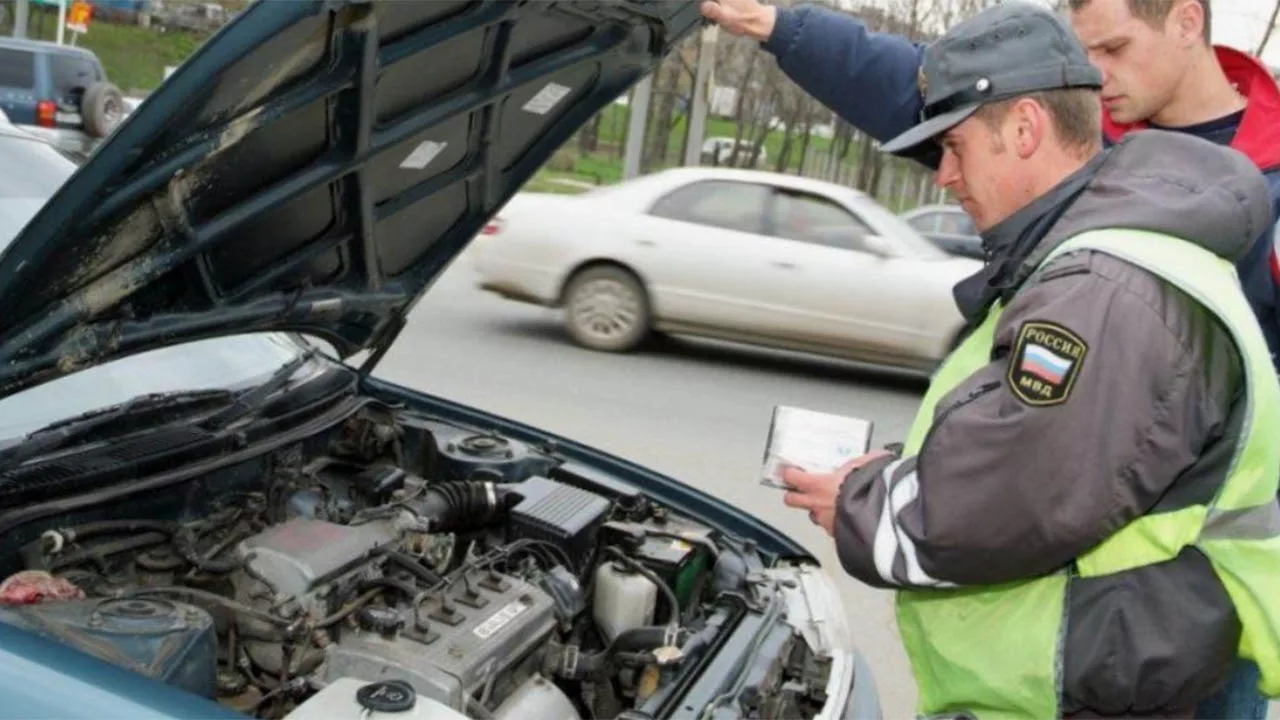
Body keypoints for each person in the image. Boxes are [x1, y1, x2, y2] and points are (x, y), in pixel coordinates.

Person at [700, 0, 1280, 715]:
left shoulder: (1101, 287)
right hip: (1127, 650)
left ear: (1028, 129)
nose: (942, 176)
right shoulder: (1098, 243)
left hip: (1104, 679)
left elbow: (1003, 500)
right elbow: (1035, 434)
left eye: (954, 149)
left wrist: (860, 502)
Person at [700, 0, 1280, 374]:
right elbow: (918, 86)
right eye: (1084, 53)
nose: (1096, 73)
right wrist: (775, 25)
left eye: (1114, 48)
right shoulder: (1073, 131)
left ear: (1186, 21)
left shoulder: (1271, 185)